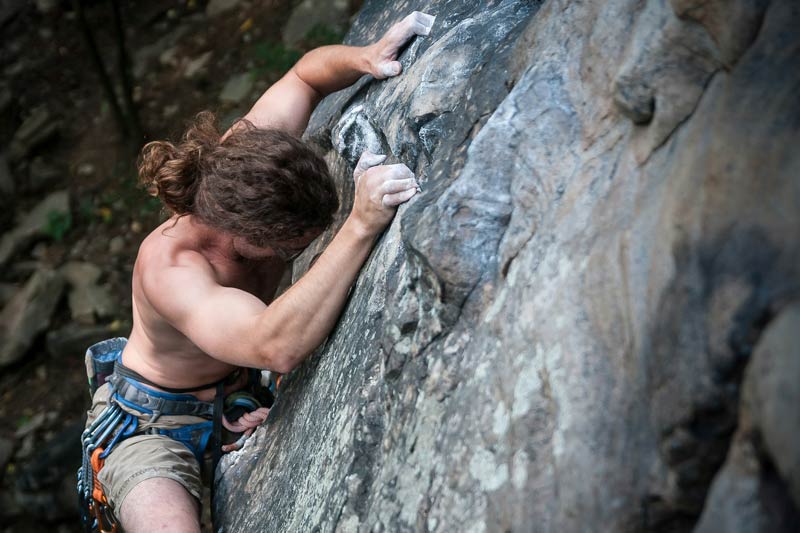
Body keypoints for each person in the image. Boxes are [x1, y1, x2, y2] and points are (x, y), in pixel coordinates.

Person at [79, 11, 436, 533]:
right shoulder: (172, 266)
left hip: (237, 387)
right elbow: (275, 344)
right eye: (286, 247)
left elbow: (304, 77)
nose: (301, 250)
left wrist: (366, 57)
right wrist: (360, 224)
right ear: (236, 232)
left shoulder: (249, 160)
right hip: (151, 427)